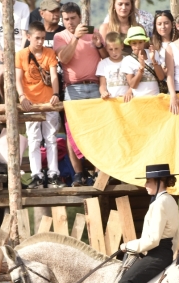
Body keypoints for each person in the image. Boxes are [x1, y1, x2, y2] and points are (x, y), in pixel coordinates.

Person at [118, 164, 179, 283]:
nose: (145, 184)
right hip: (165, 251)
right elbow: (174, 236)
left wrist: (127, 246)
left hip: (157, 253)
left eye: (148, 181)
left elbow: (152, 239)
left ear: (160, 182)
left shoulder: (160, 203)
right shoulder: (170, 200)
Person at [54, 2, 107, 187]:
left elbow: (106, 58)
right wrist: (75, 38)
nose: (70, 22)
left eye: (73, 18)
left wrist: (100, 45)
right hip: (73, 89)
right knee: (73, 133)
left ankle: (100, 169)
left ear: (80, 18)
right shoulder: (59, 36)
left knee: (98, 131)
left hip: (94, 85)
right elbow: (64, 59)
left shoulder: (92, 32)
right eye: (66, 19)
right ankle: (78, 173)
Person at [16, 22, 63, 189]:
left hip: (48, 101)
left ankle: (53, 174)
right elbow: (18, 78)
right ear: (28, 37)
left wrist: (56, 94)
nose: (40, 41)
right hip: (31, 103)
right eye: (37, 38)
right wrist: (22, 97)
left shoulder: (49, 53)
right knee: (34, 139)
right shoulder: (21, 55)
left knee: (51, 139)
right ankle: (36, 174)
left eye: (43, 38)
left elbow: (54, 75)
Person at [0, 0, 30, 100]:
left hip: (20, 52)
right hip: (2, 54)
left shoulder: (23, 7)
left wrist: (20, 55)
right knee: (0, 74)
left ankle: (22, 99)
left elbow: (24, 36)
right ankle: (5, 100)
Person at [122, 27, 165, 97]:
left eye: (140, 42)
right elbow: (133, 85)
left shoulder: (154, 53)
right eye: (134, 43)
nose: (138, 46)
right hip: (139, 99)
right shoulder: (127, 60)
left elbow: (161, 77)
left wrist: (153, 60)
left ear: (144, 42)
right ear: (130, 44)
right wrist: (141, 69)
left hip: (156, 97)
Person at [97, 32, 132, 102]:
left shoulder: (129, 61)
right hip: (112, 101)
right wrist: (103, 92)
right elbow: (102, 85)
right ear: (106, 48)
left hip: (127, 100)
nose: (114, 52)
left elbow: (133, 82)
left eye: (116, 48)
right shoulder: (103, 64)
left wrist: (129, 92)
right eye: (111, 49)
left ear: (122, 46)